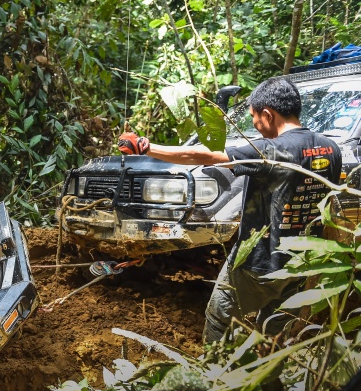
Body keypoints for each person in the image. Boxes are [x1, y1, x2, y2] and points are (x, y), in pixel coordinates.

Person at [118, 77, 341, 343]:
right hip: (300, 264)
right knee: (276, 333)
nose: (256, 128)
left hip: (259, 263)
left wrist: (145, 147)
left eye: (255, 118)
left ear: (268, 114)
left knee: (219, 318)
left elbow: (204, 155)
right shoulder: (331, 149)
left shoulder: (271, 150)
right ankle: (268, 380)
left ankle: (215, 377)